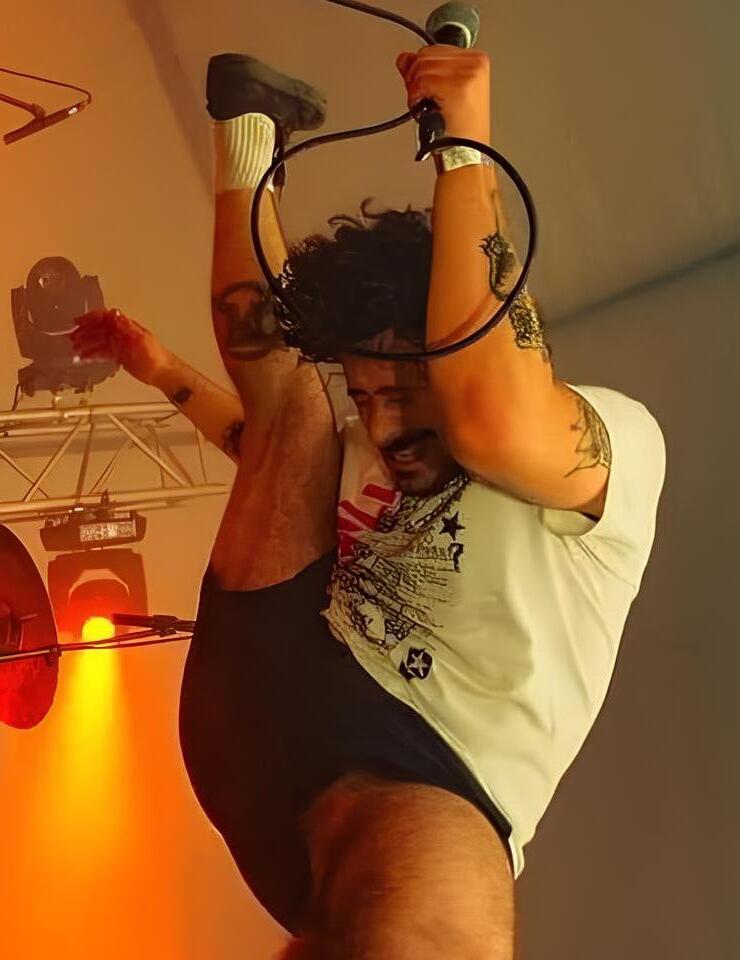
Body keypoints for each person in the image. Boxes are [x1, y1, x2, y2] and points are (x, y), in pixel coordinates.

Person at [71, 47, 666, 960]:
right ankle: (246, 127)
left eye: (405, 393)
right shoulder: (366, 447)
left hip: (422, 756)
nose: (383, 427)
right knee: (288, 402)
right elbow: (269, 449)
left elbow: (489, 404)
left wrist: (464, 148)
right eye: (365, 395)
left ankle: (255, 128)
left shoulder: (613, 449)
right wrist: (163, 372)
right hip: (296, 674)